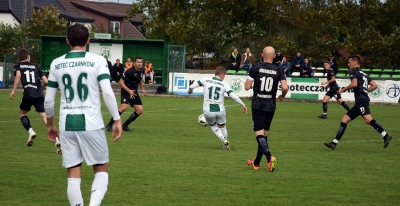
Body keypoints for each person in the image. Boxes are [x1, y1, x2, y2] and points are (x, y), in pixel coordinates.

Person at [44, 24, 122, 206]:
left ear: (67, 41)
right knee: (101, 170)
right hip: (91, 122)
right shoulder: (98, 61)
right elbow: (108, 93)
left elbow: (48, 100)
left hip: (66, 125)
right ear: (88, 40)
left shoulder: (56, 63)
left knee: (73, 175)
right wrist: (117, 119)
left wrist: (50, 124)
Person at [324, 56, 392, 150]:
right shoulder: (363, 73)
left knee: (368, 119)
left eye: (349, 62)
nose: (348, 64)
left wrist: (342, 90)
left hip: (361, 101)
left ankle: (385, 135)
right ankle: (334, 143)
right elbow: (374, 85)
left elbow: (354, 84)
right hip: (361, 101)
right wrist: (365, 91)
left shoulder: (354, 72)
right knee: (344, 120)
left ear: (355, 63)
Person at [9, 48, 61, 154]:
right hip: (39, 95)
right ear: (28, 57)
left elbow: (18, 75)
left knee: (22, 113)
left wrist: (14, 90)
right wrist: (43, 87)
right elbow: (46, 80)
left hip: (28, 94)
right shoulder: (36, 66)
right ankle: (57, 140)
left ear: (20, 58)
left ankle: (31, 131)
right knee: (44, 117)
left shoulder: (18, 66)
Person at [245, 46, 288, 172]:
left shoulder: (256, 68)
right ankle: (256, 163)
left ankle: (270, 157)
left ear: (262, 55)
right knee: (264, 134)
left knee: (259, 134)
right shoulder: (279, 70)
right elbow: (285, 87)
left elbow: (247, 87)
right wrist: (282, 96)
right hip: (270, 105)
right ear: (274, 56)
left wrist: (249, 82)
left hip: (258, 104)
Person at [188, 66, 247, 150]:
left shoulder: (205, 79)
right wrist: (243, 104)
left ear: (215, 73)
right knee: (223, 126)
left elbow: (192, 86)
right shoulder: (224, 84)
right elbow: (233, 96)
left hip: (208, 110)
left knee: (212, 125)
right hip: (220, 110)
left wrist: (190, 91)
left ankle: (222, 139)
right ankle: (225, 144)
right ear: (223, 75)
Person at [106, 56, 147, 132]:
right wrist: (129, 91)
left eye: (141, 62)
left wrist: (142, 89)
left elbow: (140, 79)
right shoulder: (129, 71)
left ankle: (125, 125)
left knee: (140, 110)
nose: (139, 64)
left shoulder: (142, 70)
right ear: (134, 63)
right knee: (123, 107)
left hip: (134, 92)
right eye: (138, 62)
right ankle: (109, 124)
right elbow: (120, 82)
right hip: (126, 91)